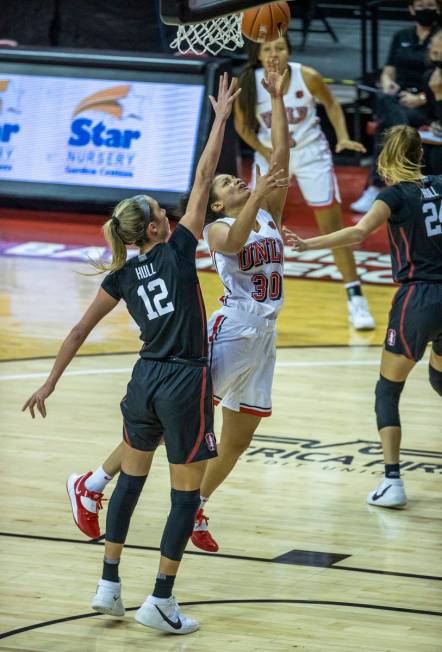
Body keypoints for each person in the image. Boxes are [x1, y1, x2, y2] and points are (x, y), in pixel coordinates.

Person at [22, 73, 242, 635]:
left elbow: (75, 332)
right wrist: (218, 121)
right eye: (160, 212)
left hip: (141, 382)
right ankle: (161, 600)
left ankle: (108, 585)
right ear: (153, 226)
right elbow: (201, 179)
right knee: (183, 497)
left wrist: (49, 383)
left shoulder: (121, 272)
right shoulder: (179, 248)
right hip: (182, 381)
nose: (172, 213)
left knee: (131, 483)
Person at [57, 58, 290, 554]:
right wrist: (247, 182)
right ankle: (95, 483)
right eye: (228, 184)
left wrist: (274, 96)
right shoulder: (214, 228)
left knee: (238, 438)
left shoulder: (264, 210)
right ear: (218, 204)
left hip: (265, 337)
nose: (236, 183)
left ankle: (196, 503)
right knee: (173, 426)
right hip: (231, 330)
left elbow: (281, 160)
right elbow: (234, 236)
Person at [286, 124, 442, 508]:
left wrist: (309, 244)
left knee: (387, 389)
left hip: (418, 297)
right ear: (420, 155)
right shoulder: (440, 183)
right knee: (439, 376)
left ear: (387, 159)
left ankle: (392, 482)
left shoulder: (393, 195)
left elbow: (358, 233)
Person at [234, 35, 375, 331]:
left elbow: (332, 104)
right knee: (260, 227)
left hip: (311, 154)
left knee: (331, 226)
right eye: (268, 49)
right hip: (270, 155)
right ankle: (252, 295)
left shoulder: (306, 76)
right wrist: (265, 152)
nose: (274, 54)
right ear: (258, 55)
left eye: (280, 48)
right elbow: (242, 125)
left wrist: (344, 135)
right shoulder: (249, 80)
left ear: (289, 52)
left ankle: (355, 295)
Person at [351, 0, 441, 213]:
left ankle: (376, 186)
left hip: (425, 105)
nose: (425, 9)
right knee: (386, 99)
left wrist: (420, 97)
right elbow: (389, 68)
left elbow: (436, 85)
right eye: (421, 5)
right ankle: (398, 133)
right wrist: (386, 81)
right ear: (411, 9)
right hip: (399, 98)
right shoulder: (402, 36)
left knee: (388, 123)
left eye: (430, 4)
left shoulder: (439, 38)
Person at [421, 29, 442, 173]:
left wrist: (439, 94)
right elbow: (431, 114)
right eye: (435, 54)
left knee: (437, 156)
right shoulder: (429, 77)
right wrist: (434, 125)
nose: (438, 59)